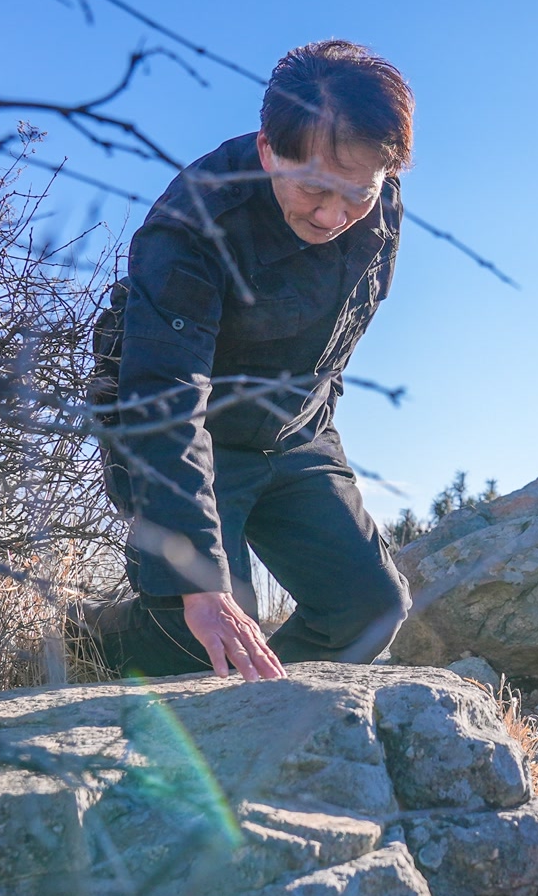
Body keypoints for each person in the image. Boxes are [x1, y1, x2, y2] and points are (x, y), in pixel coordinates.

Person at [83, 41, 414, 681]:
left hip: (296, 431)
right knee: (199, 636)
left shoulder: (380, 204)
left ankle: (264, 701)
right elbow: (163, 397)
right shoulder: (192, 225)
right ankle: (92, 635)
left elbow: (340, 334)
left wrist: (315, 427)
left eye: (358, 194)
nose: (333, 216)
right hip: (184, 431)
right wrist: (199, 584)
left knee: (370, 610)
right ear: (268, 149)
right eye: (313, 188)